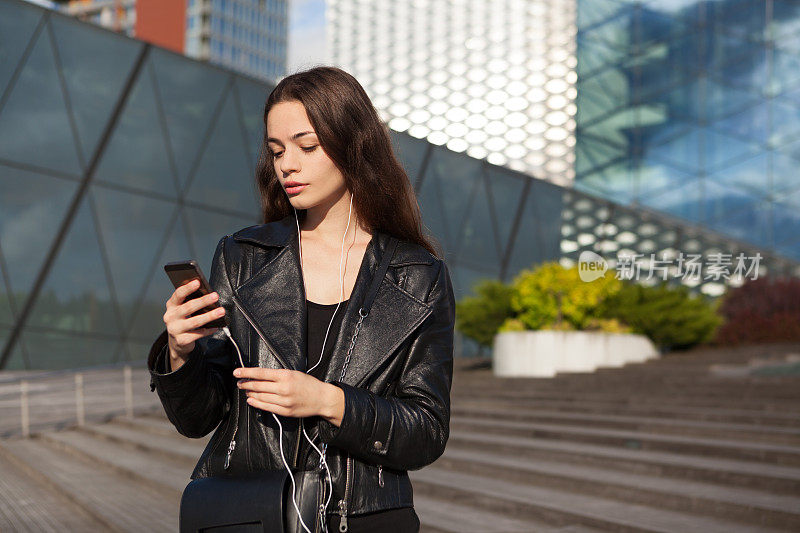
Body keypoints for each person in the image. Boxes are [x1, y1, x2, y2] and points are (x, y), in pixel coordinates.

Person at [147, 66, 456, 533]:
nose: (287, 164)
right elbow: (198, 419)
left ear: (353, 144)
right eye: (277, 151)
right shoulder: (243, 257)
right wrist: (180, 352)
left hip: (367, 518)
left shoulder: (417, 276)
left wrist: (329, 401)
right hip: (255, 512)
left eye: (307, 146)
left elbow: (427, 432)